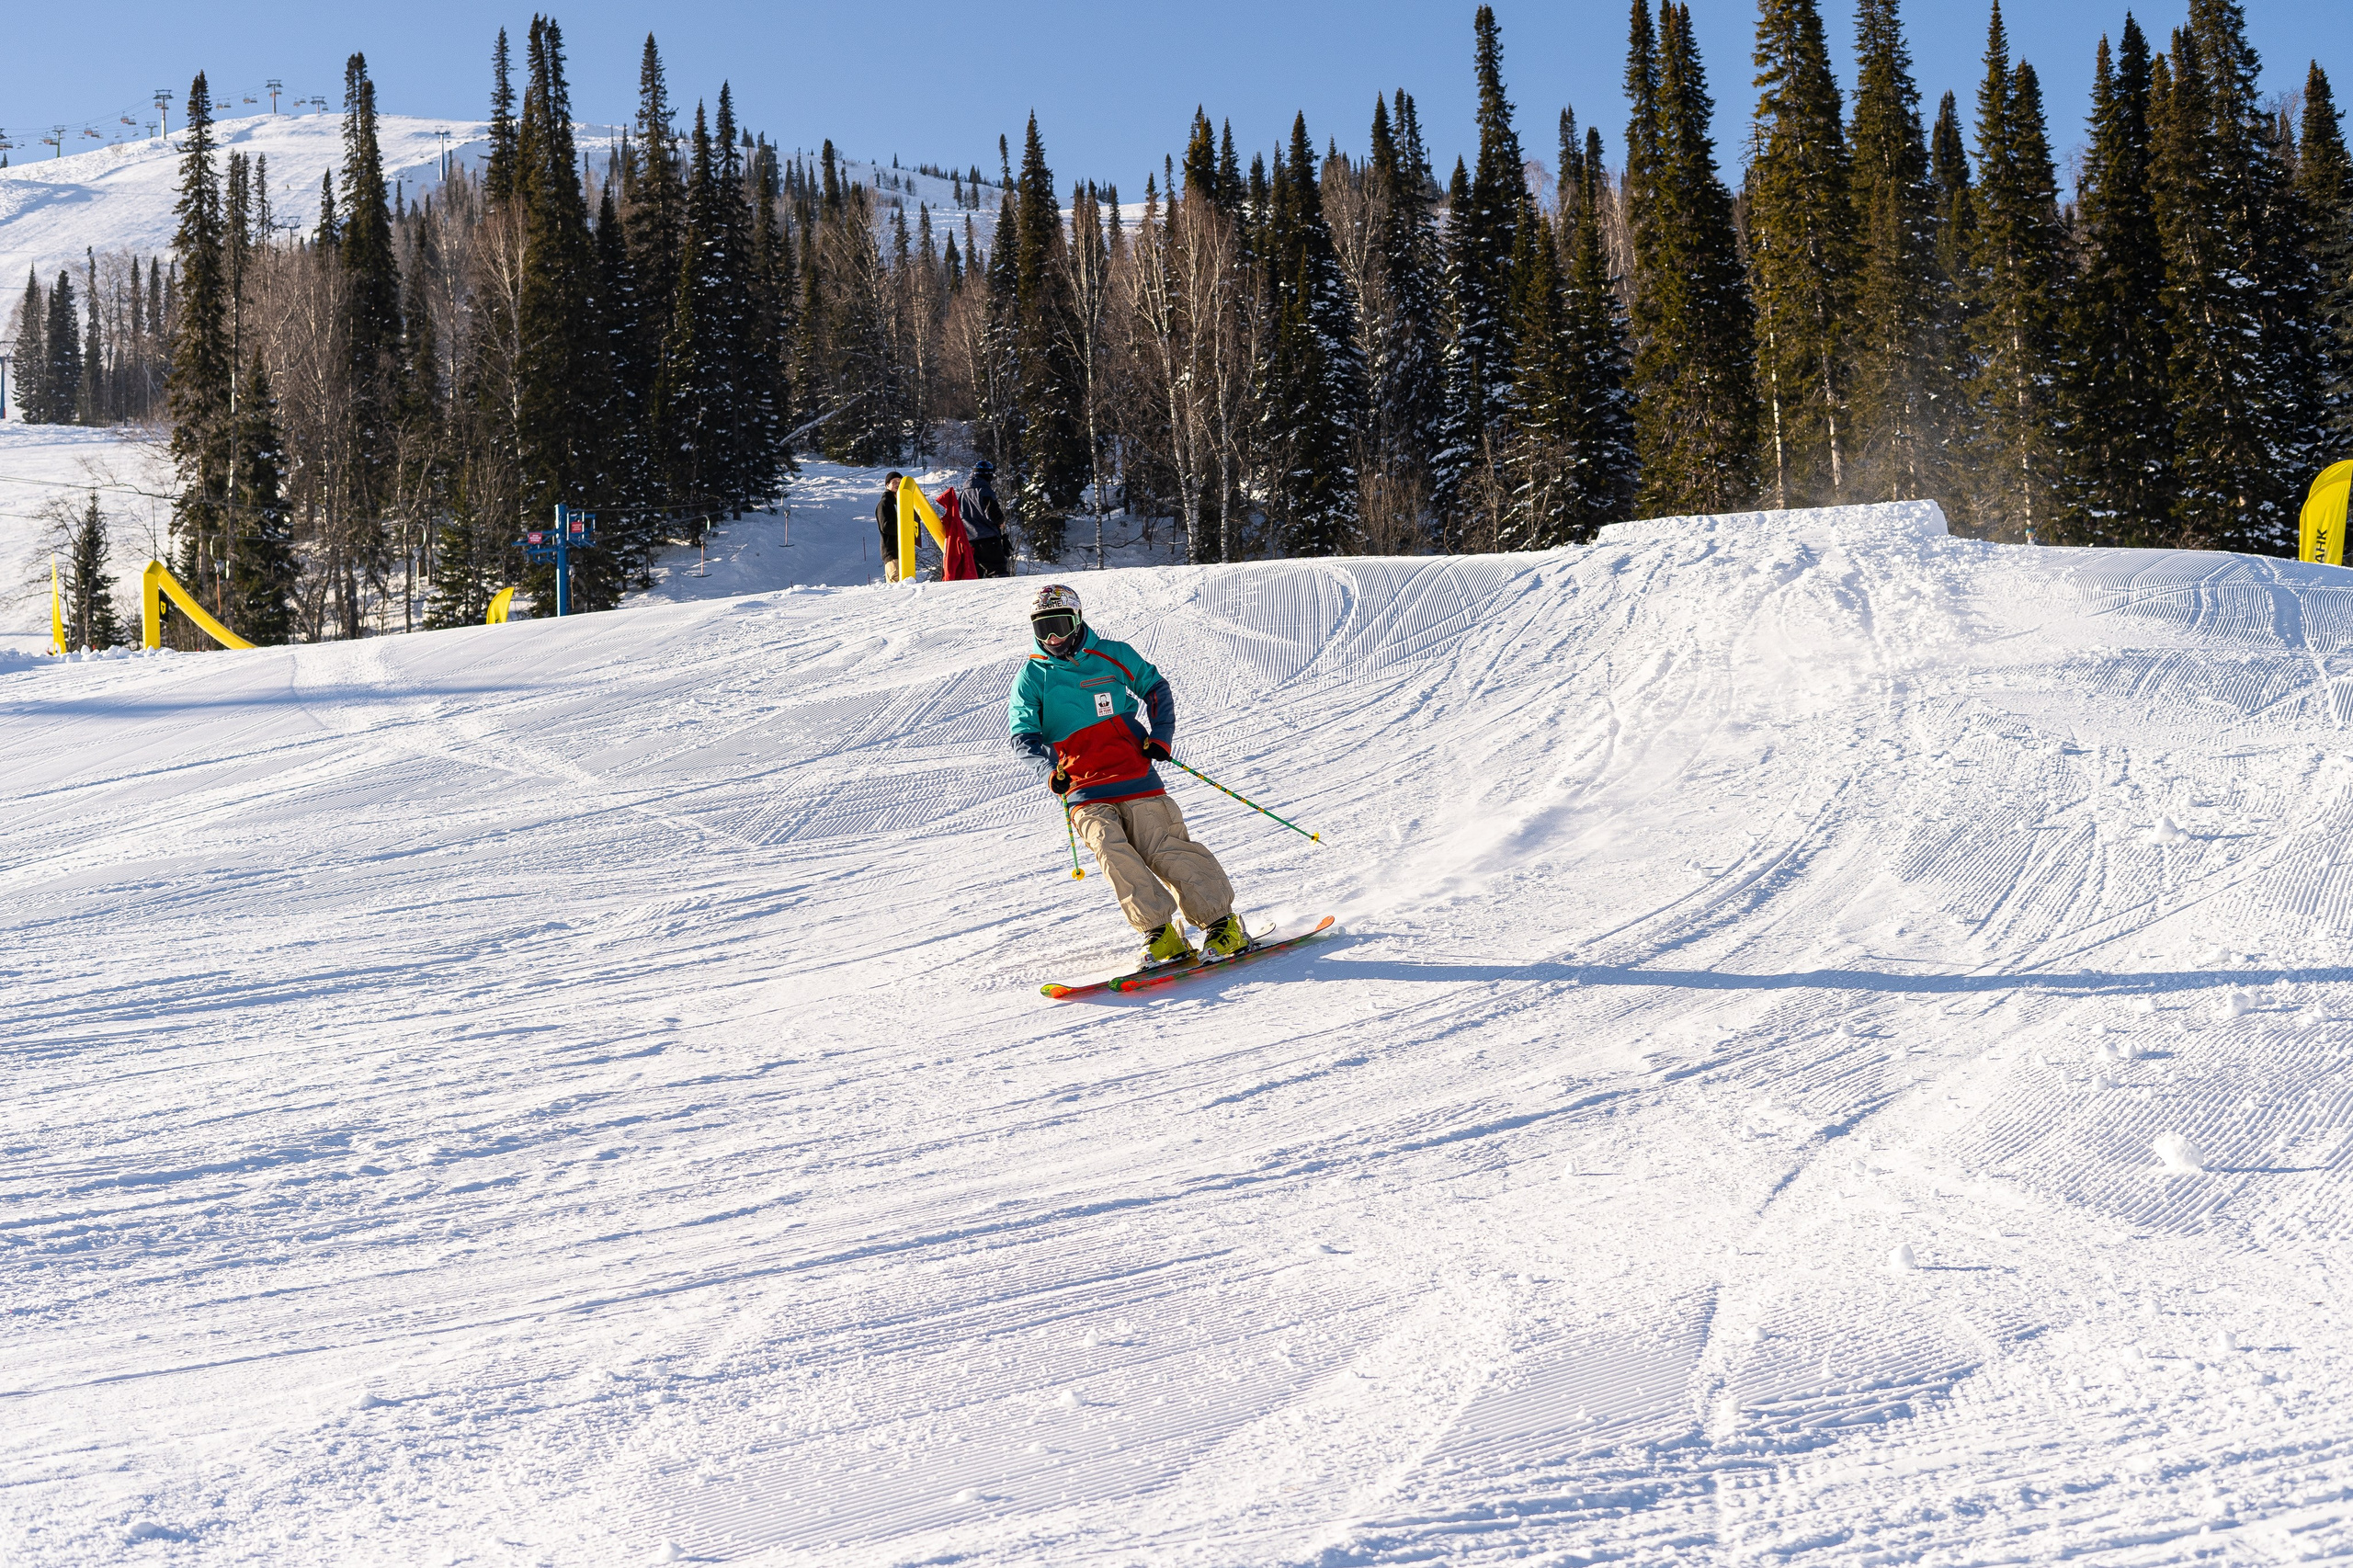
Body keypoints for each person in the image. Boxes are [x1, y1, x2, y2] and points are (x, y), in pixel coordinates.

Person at [1007, 584, 1251, 968]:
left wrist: (1161, 738)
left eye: (1059, 625)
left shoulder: (1112, 655)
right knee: (1112, 851)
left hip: (1133, 773)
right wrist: (1048, 772)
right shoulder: (1032, 676)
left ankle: (1222, 923)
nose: (1052, 637)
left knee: (1163, 847)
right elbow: (1023, 736)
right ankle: (1160, 932)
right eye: (1042, 629)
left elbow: (1155, 689)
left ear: (1077, 620)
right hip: (1081, 786)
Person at [964, 459, 1013, 578]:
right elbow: (992, 512)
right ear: (988, 475)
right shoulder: (984, 489)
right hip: (987, 539)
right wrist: (1000, 521)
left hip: (969, 540)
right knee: (998, 571)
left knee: (975, 576)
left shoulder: (964, 492)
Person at [875, 472, 905, 582]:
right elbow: (886, 526)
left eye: (900, 482)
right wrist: (904, 528)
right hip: (892, 552)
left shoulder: (900, 503)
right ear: (887, 485)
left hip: (903, 551)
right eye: (894, 482)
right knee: (897, 584)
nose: (898, 484)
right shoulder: (885, 503)